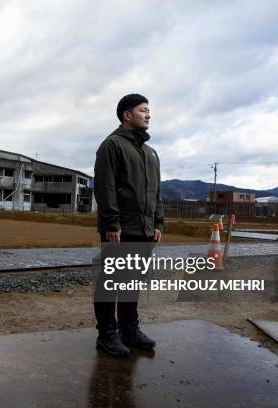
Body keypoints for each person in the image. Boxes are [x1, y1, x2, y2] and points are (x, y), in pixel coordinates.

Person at [93, 93, 164, 357]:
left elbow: (156, 191)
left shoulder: (150, 153)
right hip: (120, 228)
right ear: (127, 115)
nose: (148, 114)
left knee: (131, 283)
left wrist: (158, 221)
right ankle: (107, 334)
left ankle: (129, 330)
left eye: (149, 110)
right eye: (143, 110)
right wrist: (111, 223)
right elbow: (105, 187)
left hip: (146, 228)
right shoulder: (111, 145)